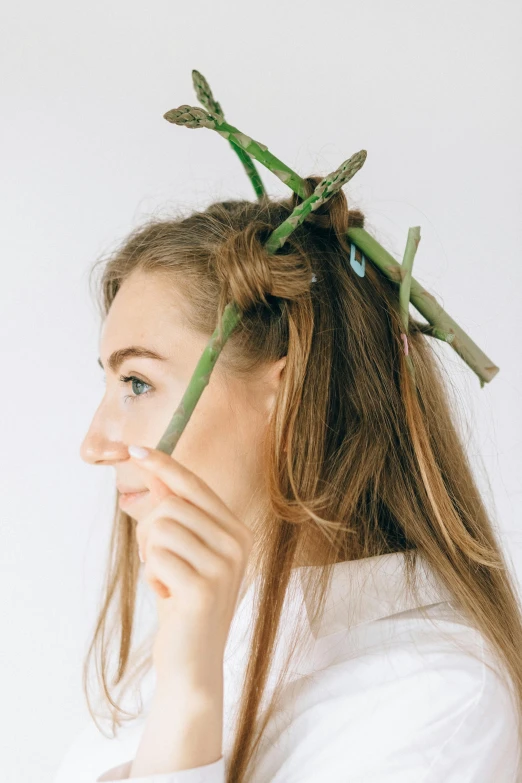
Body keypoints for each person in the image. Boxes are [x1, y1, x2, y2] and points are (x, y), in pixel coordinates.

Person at [53, 188, 522, 782]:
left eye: (138, 383)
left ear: (285, 385)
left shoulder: (438, 700)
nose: (95, 444)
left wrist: (189, 703)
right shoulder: (184, 648)